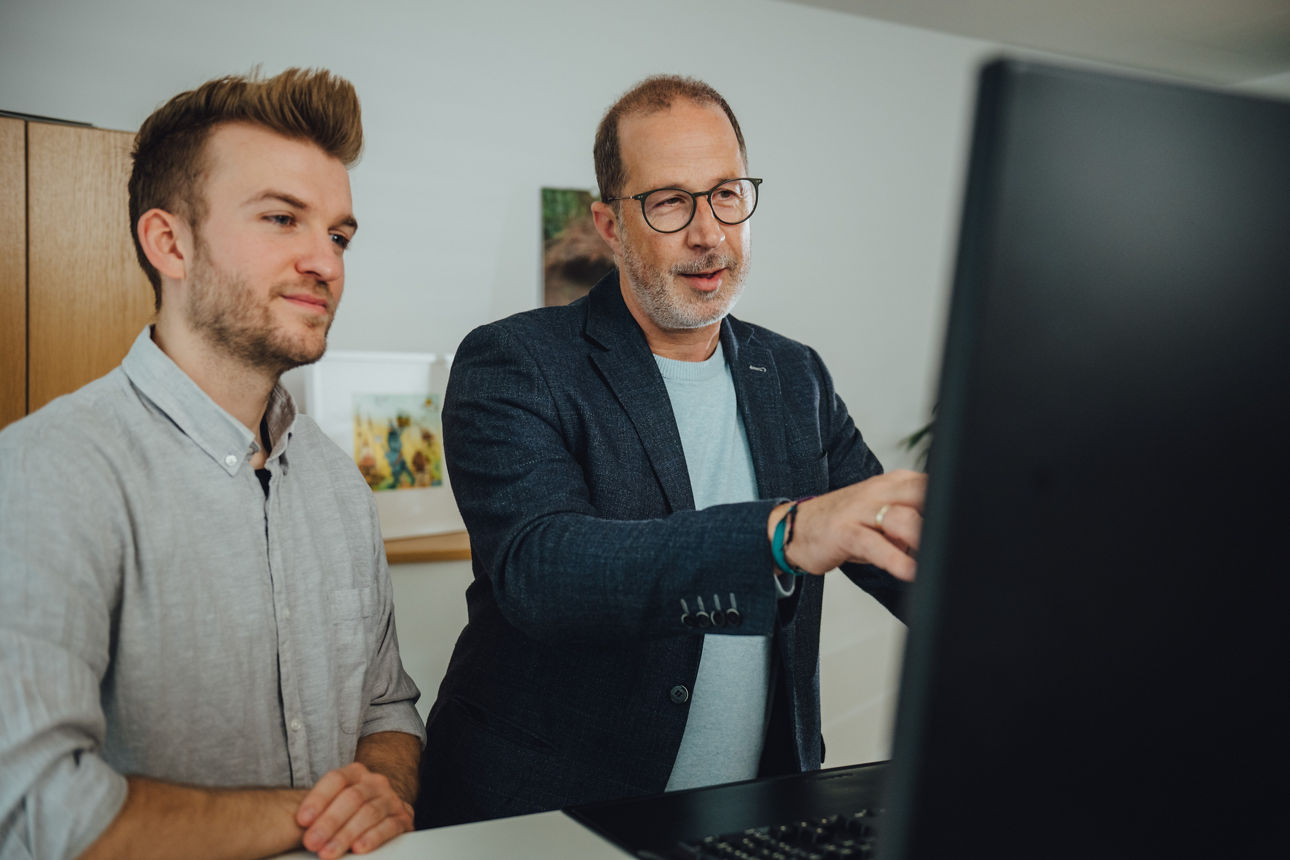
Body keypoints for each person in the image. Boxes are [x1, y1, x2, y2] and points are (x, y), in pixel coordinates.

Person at [415, 74, 926, 828]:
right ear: (609, 226)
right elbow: (543, 567)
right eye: (669, 201)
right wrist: (783, 534)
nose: (708, 231)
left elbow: (892, 545)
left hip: (749, 818)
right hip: (549, 820)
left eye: (726, 193)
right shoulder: (516, 361)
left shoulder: (795, 374)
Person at [0, 69, 424, 860]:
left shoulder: (338, 485)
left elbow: (389, 711)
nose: (325, 263)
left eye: (337, 234)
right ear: (170, 243)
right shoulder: (45, 474)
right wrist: (312, 818)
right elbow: (40, 811)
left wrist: (383, 786)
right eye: (280, 218)